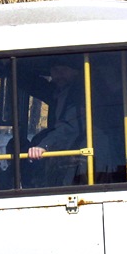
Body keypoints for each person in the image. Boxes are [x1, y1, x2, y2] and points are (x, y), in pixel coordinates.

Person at [27, 58, 85, 186]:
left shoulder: (81, 93)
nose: (59, 75)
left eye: (64, 70)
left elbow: (70, 125)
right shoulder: (60, 90)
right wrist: (10, 65)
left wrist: (44, 145)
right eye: (55, 70)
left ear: (76, 72)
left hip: (84, 155)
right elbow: (35, 85)